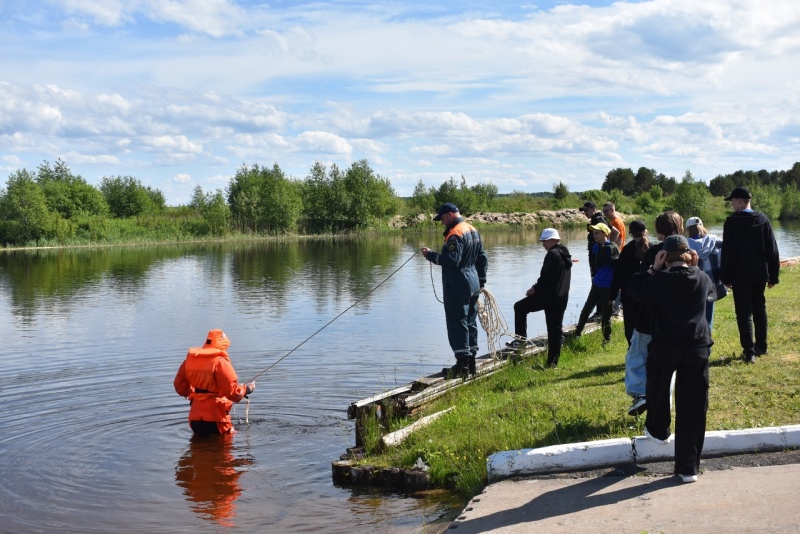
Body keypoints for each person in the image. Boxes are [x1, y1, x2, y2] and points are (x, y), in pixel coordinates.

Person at [627, 234, 715, 483]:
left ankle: (659, 429)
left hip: (665, 346)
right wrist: (696, 267)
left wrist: (652, 269)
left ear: (664, 257)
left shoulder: (658, 280)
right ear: (689, 255)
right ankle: (688, 468)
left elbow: (634, 290)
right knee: (694, 406)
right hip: (697, 348)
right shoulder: (701, 277)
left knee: (656, 385)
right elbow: (711, 291)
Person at [624, 211, 683, 417]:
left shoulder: (655, 253)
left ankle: (641, 394)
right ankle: (664, 402)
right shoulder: (686, 251)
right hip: (675, 318)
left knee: (637, 356)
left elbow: (640, 285)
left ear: (659, 232)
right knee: (667, 364)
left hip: (649, 316)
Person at [422, 203, 489, 378]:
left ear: (451, 215)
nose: (442, 222)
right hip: (473, 282)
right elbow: (482, 258)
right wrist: (481, 281)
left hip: (458, 285)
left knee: (457, 323)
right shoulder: (472, 229)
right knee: (470, 322)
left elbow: (452, 261)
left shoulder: (455, 234)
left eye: (442, 218)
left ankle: (462, 366)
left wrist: (430, 255)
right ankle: (471, 363)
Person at [720, 187, 780, 364]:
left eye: (732, 201)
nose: (731, 205)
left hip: (739, 275)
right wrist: (773, 275)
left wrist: (726, 277)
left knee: (743, 313)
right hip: (759, 273)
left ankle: (749, 351)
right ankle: (762, 346)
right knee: (759, 309)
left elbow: (727, 252)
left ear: (740, 201)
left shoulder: (731, 222)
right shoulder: (762, 219)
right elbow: (772, 249)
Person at [506, 228, 572, 368]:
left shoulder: (552, 254)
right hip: (562, 298)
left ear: (553, 240)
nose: (543, 245)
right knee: (555, 331)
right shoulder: (565, 254)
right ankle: (552, 364)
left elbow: (546, 277)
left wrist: (534, 289)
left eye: (545, 241)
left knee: (519, 307)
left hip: (549, 297)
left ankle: (520, 341)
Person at [174, 329, 255, 436]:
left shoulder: (189, 361)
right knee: (226, 446)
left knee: (199, 448)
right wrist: (247, 389)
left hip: (194, 418)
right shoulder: (220, 362)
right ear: (223, 345)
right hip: (216, 418)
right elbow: (233, 393)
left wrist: (195, 393)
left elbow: (179, 387)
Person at [572, 222, 619, 344]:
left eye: (597, 233)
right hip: (597, 284)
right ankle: (577, 333)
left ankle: (607, 339)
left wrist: (616, 287)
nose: (594, 235)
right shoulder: (595, 247)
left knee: (606, 315)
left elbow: (618, 267)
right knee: (587, 309)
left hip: (608, 287)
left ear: (605, 233)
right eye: (593, 233)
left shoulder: (613, 248)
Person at [610, 220, 649, 346]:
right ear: (645, 231)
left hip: (629, 294)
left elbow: (618, 274)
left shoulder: (626, 250)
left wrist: (612, 294)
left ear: (631, 233)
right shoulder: (652, 248)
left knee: (630, 326)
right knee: (646, 323)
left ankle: (632, 350)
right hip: (646, 294)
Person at [686, 216, 727, 329]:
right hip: (713, 286)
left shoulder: (685, 245)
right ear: (702, 227)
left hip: (693, 287)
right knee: (708, 316)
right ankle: (707, 339)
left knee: (694, 316)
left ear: (688, 229)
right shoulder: (716, 241)